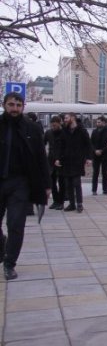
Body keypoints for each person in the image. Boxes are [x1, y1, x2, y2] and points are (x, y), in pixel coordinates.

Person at [0, 92, 51, 280]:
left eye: (18, 105)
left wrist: (46, 185)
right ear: (4, 105)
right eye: (11, 104)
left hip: (20, 183)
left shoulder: (31, 128)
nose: (14, 108)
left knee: (15, 224)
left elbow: (40, 157)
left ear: (23, 107)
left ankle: (9, 263)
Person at [55, 113, 92, 213]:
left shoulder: (82, 131)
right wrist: (58, 158)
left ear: (73, 118)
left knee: (76, 182)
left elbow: (88, 145)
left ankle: (79, 204)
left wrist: (89, 158)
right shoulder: (64, 131)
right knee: (68, 184)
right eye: (64, 118)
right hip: (66, 161)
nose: (65, 120)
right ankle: (72, 204)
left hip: (77, 160)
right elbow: (60, 146)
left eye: (67, 118)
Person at [44, 115, 66, 210]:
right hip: (51, 159)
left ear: (60, 123)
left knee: (61, 182)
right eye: (52, 126)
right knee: (51, 182)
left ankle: (61, 201)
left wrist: (61, 158)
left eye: (55, 126)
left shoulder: (64, 133)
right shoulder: (48, 133)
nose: (53, 127)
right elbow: (43, 143)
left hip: (61, 160)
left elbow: (66, 147)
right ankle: (55, 200)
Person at [90, 117, 107, 195]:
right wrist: (95, 150)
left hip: (105, 155)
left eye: (99, 122)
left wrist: (102, 150)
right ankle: (94, 190)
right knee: (95, 173)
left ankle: (105, 189)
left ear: (104, 123)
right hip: (96, 155)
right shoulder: (94, 131)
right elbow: (91, 143)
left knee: (104, 173)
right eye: (97, 122)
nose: (97, 124)